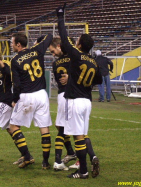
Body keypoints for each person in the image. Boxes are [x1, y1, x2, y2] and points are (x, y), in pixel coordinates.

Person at [56, 4, 101, 179]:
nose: (75, 42)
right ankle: (84, 168)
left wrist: (60, 16)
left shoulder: (76, 54)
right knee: (81, 135)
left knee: (78, 138)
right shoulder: (94, 61)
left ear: (80, 44)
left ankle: (82, 171)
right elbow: (97, 80)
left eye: (77, 40)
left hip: (74, 100)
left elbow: (64, 37)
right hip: (87, 101)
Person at [10, 32, 53, 169]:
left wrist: (15, 99)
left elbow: (16, 84)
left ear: (18, 44)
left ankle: (27, 156)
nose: (11, 45)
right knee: (44, 128)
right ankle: (45, 162)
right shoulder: (37, 50)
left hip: (27, 96)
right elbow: (50, 36)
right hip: (42, 94)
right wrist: (39, 42)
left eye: (12, 43)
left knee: (13, 127)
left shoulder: (15, 60)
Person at [50, 37, 77, 171]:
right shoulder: (75, 58)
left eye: (53, 51)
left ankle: (58, 161)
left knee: (63, 128)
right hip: (72, 96)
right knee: (66, 127)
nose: (53, 54)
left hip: (65, 96)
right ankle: (71, 153)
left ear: (60, 46)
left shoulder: (56, 64)